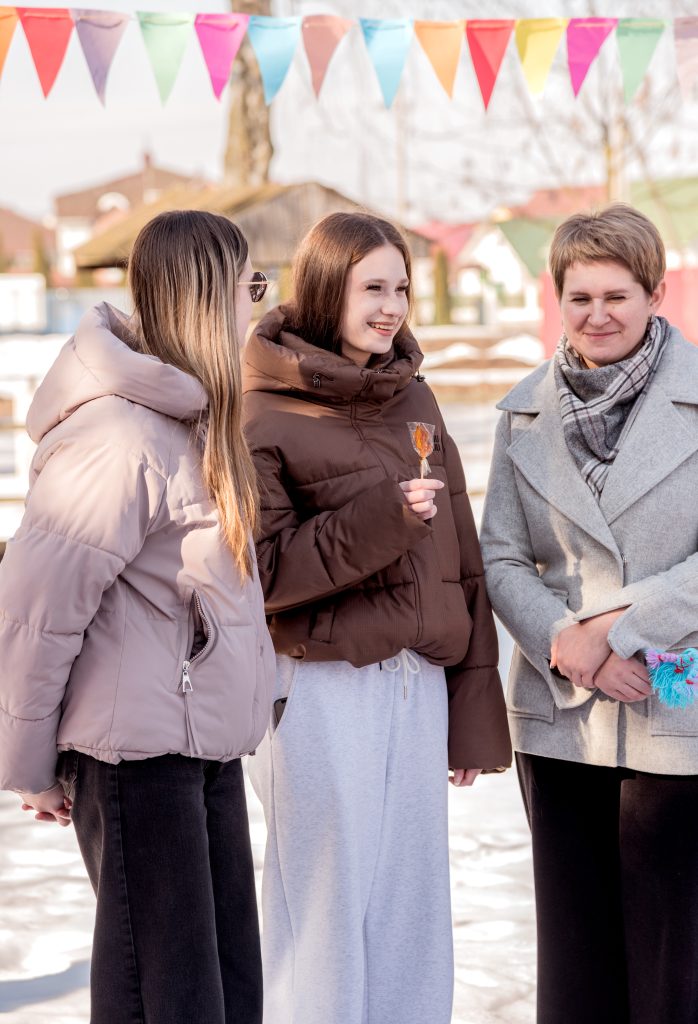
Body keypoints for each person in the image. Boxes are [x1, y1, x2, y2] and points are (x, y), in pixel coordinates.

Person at [0, 210, 275, 1024]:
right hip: (136, 759)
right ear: (205, 298)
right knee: (166, 1000)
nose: (256, 306)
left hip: (199, 746)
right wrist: (33, 762)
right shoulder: (119, 434)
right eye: (248, 286)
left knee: (226, 994)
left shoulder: (192, 422)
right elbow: (35, 611)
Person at [242, 211, 511, 1024]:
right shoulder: (260, 411)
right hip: (321, 691)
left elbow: (462, 566)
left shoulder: (415, 397)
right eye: (372, 288)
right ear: (327, 289)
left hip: (417, 688)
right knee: (323, 903)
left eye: (400, 287)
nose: (391, 306)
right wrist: (383, 520)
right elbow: (264, 575)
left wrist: (472, 717)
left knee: (412, 907)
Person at [480, 203, 698, 1024]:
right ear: (557, 298)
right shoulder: (523, 413)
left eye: (617, 295)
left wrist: (616, 630)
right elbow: (499, 554)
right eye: (580, 298)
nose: (597, 315)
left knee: (673, 964)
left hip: (675, 708)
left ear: (655, 293)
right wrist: (565, 643)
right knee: (574, 965)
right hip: (560, 713)